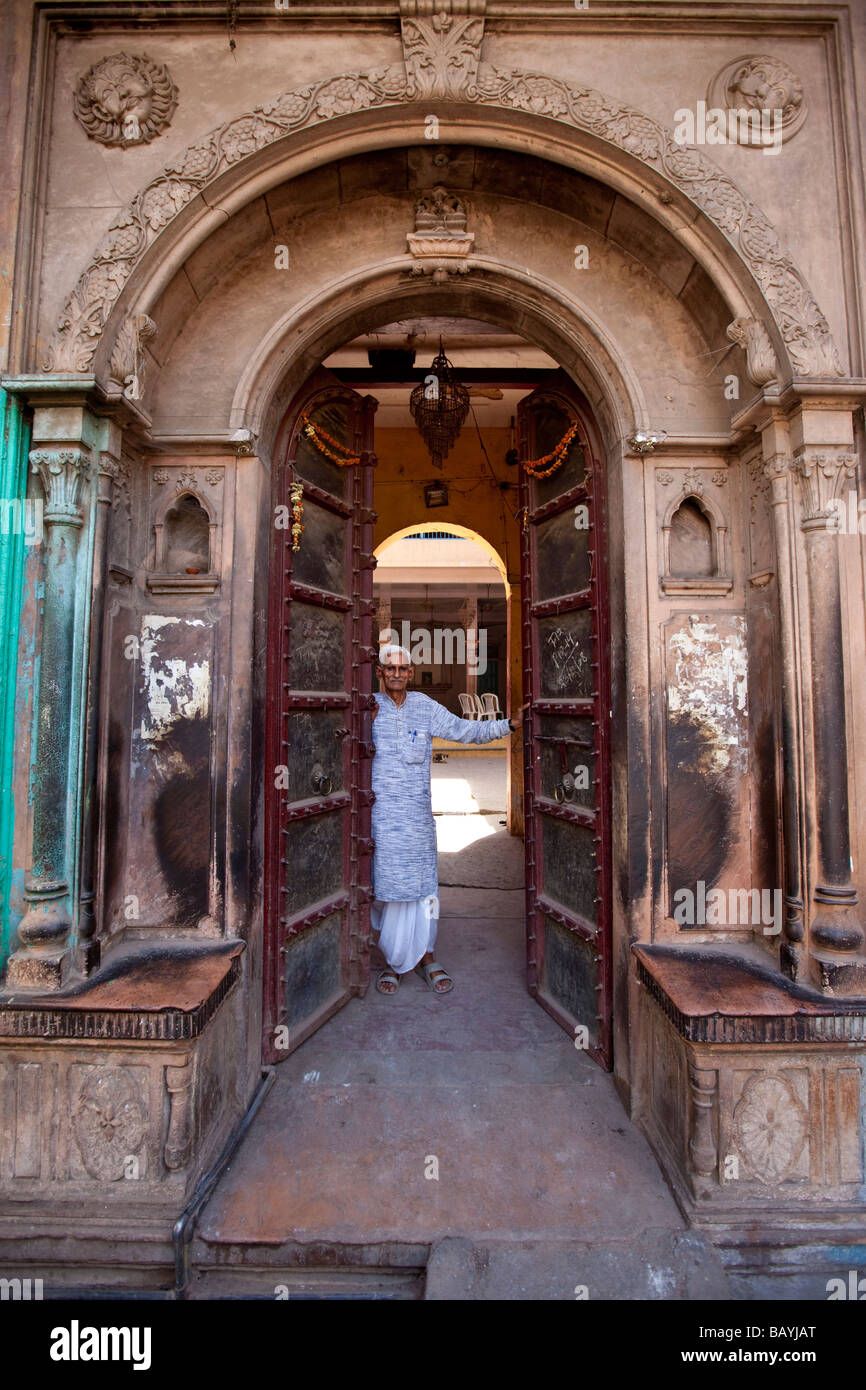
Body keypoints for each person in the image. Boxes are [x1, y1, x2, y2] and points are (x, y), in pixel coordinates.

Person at [370, 644, 527, 996]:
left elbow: (463, 730)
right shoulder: (368, 709)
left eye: (403, 668)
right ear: (380, 672)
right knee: (389, 887)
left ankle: (426, 955)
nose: (396, 674)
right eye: (389, 668)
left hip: (418, 817)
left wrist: (509, 726)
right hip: (382, 816)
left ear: (410, 672)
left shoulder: (425, 707)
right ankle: (394, 961)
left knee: (423, 887)